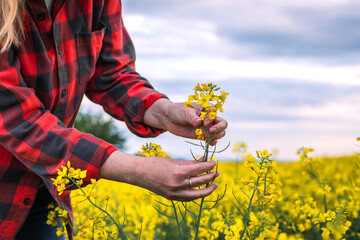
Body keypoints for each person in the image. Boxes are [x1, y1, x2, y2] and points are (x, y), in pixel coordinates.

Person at [0, 0, 228, 239]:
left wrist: (163, 111)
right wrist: (139, 170)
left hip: (45, 191)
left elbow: (111, 70)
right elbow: (18, 119)